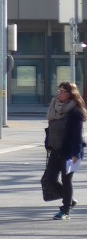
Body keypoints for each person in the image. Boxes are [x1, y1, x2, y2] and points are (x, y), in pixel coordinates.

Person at [43, 82, 85, 220]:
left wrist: (76, 154)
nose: (59, 93)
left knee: (67, 180)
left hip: (70, 152)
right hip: (55, 149)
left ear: (70, 94)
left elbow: (77, 135)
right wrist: (48, 143)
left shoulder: (76, 112)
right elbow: (50, 129)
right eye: (59, 90)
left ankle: (65, 210)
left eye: (62, 91)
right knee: (50, 179)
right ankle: (70, 199)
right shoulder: (54, 108)